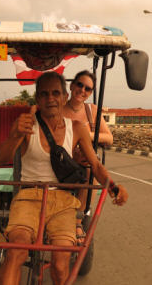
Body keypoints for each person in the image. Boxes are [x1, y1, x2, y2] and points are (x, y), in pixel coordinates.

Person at [0, 71, 128, 285]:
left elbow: (94, 164)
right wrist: (15, 135)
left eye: (56, 93)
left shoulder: (77, 128)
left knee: (60, 263)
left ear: (64, 97)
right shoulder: (25, 125)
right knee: (15, 253)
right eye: (44, 94)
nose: (50, 99)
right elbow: (1, 158)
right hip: (28, 197)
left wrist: (113, 187)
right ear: (38, 99)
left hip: (63, 203)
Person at [62, 70, 114, 243]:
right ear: (72, 85)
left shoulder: (91, 111)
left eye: (88, 89)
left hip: (83, 163)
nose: (82, 90)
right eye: (80, 85)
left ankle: (78, 219)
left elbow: (108, 137)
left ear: (91, 93)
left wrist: (85, 135)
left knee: (89, 168)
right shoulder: (58, 108)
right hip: (60, 159)